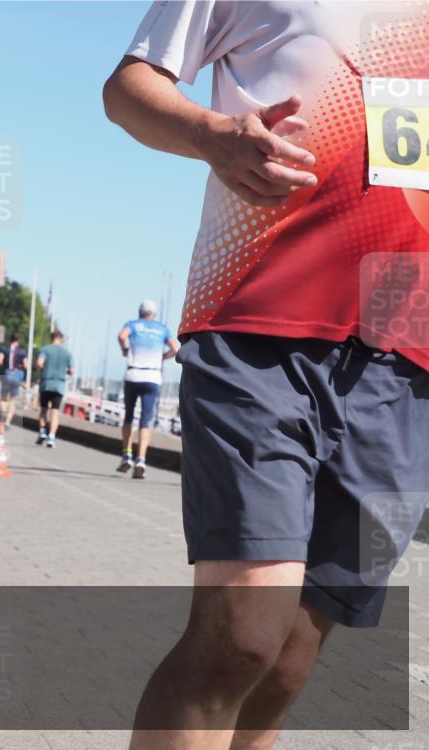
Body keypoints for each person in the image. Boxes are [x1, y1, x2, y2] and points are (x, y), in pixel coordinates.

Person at [104, 2, 429, 748]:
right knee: (244, 637)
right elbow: (126, 88)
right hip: (260, 327)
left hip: (408, 361)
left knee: (290, 659)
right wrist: (209, 134)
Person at [116, 300, 179, 478]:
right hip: (152, 376)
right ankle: (141, 459)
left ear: (140, 312)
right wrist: (163, 357)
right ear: (154, 313)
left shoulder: (133, 325)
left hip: (133, 374)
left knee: (129, 416)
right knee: (145, 420)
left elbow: (121, 336)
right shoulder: (162, 329)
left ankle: (127, 454)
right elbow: (175, 348)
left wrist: (125, 350)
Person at [34, 330, 75, 448]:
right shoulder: (67, 353)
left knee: (43, 410)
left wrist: (42, 370)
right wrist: (65, 371)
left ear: (51, 338)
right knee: (55, 411)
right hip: (59, 385)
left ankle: (43, 431)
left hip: (46, 383)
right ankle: (51, 437)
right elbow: (72, 371)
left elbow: (39, 363)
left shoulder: (45, 349)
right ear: (61, 339)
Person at [0, 333, 28, 426]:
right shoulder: (22, 352)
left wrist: (5, 365)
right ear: (18, 340)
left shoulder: (4, 349)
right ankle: (8, 421)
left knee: (3, 398)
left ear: (10, 339)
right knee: (13, 400)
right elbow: (26, 365)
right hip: (17, 376)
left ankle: (3, 413)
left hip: (7, 374)